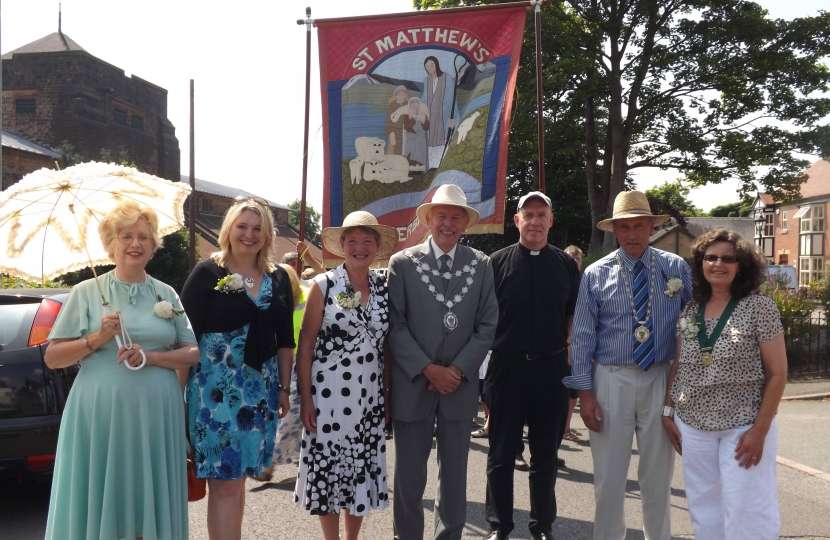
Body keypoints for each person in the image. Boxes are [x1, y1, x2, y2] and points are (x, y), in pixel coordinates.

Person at [44, 200, 199, 540]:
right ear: (110, 243)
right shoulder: (85, 292)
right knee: (102, 492)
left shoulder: (166, 293)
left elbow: (192, 351)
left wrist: (152, 357)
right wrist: (99, 337)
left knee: (150, 496)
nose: (135, 244)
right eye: (126, 236)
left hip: (157, 411)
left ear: (153, 244)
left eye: (144, 236)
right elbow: (53, 358)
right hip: (99, 411)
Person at [565, 190, 692, 540]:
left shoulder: (675, 268)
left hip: (661, 376)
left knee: (658, 474)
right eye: (625, 227)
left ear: (652, 226)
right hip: (610, 379)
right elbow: (582, 339)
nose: (633, 233)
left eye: (640, 225)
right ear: (615, 231)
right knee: (608, 475)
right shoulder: (594, 274)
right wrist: (585, 396)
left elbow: (695, 320)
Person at [387, 183, 499, 540]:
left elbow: (487, 324)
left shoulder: (480, 265)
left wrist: (456, 370)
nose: (448, 223)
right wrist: (427, 368)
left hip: (459, 386)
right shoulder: (402, 263)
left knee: (454, 476)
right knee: (408, 477)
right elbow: (395, 323)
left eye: (456, 217)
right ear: (429, 220)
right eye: (442, 216)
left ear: (465, 224)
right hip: (413, 383)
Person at [180, 196, 294, 540]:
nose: (249, 234)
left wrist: (285, 388)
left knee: (238, 481)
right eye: (242, 226)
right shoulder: (208, 273)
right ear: (229, 229)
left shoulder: (279, 278)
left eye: (258, 228)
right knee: (226, 486)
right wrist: (177, 396)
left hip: (261, 393)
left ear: (268, 234)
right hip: (216, 398)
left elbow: (285, 339)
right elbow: (184, 338)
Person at [663, 229, 786, 539]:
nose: (719, 264)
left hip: (742, 427)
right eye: (711, 257)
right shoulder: (692, 309)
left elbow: (778, 374)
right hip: (692, 426)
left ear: (741, 265)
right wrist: (668, 410)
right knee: (704, 508)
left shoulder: (759, 307)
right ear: (701, 263)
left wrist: (760, 430)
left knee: (748, 509)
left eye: (728, 259)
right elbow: (680, 364)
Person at [294, 210, 398, 540]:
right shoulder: (323, 285)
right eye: (352, 240)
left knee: (360, 474)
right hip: (328, 396)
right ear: (341, 246)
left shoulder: (385, 287)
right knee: (328, 471)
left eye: (367, 240)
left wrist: (387, 396)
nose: (360, 247)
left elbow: (387, 349)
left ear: (378, 246)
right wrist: (305, 398)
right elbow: (305, 344)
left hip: (368, 397)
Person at [483, 192, 581, 540]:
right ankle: (500, 526)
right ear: (517, 220)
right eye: (529, 214)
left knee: (545, 455)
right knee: (500, 453)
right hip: (507, 367)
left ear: (551, 220)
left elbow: (573, 315)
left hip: (551, 369)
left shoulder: (567, 265)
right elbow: (483, 319)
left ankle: (542, 526)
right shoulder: (496, 262)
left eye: (542, 215)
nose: (535, 221)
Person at [255, 263, 307, 480]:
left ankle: (269, 464)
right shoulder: (275, 300)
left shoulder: (305, 300)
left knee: (290, 417)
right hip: (280, 364)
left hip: (299, 365)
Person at [562, 245, 584, 443]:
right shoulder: (559, 279)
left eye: (577, 258)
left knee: (573, 394)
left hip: (580, 346)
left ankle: (566, 428)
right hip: (563, 347)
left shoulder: (586, 281)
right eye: (570, 257)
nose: (574, 261)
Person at [422, 56, 458, 169]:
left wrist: (450, 116)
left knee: (443, 137)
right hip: (430, 116)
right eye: (427, 66)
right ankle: (432, 166)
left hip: (443, 115)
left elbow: (451, 98)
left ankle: (443, 165)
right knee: (429, 140)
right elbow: (424, 98)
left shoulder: (446, 78)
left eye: (431, 64)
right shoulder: (426, 80)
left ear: (437, 64)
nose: (429, 67)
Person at [386, 85, 410, 155]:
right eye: (399, 94)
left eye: (403, 94)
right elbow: (389, 120)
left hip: (406, 130)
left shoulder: (408, 104)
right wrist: (390, 132)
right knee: (395, 149)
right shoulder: (392, 105)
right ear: (396, 95)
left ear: (405, 94)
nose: (401, 95)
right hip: (395, 131)